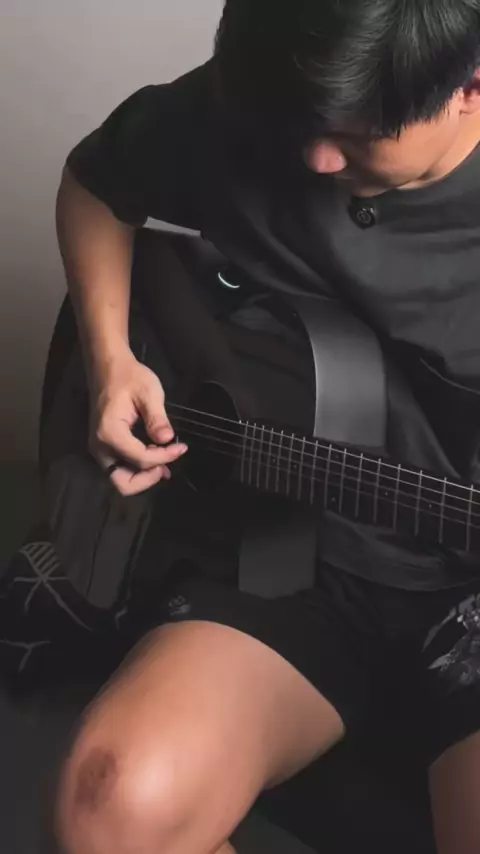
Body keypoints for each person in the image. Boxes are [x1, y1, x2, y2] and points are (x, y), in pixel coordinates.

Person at [54, 1, 480, 852]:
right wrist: (111, 362)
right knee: (109, 808)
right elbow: (97, 182)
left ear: (470, 88)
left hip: (463, 587)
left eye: (358, 133)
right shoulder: (276, 102)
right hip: (290, 554)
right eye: (307, 124)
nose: (317, 157)